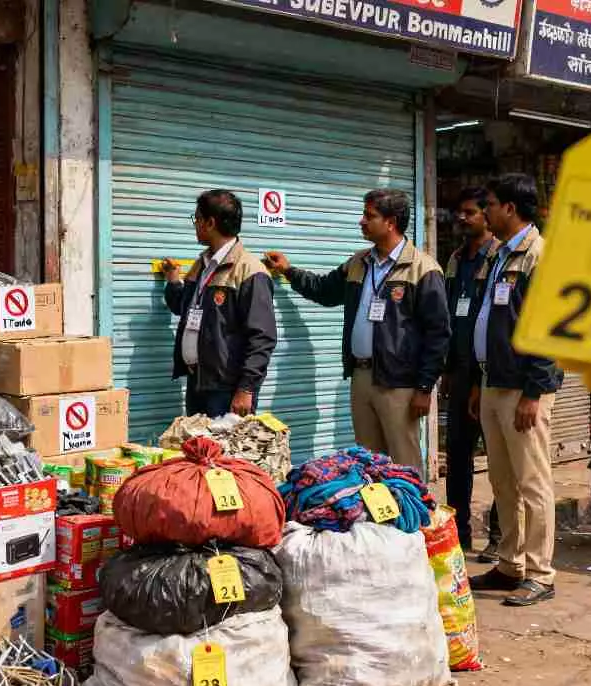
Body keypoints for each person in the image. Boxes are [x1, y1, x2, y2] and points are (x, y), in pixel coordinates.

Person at [263, 189, 450, 473]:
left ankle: (412, 504)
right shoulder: (359, 262)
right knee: (368, 463)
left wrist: (425, 387)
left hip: (399, 383)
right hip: (362, 377)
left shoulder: (422, 268)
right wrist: (289, 271)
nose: (361, 221)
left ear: (390, 222)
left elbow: (438, 334)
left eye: (369, 216)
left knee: (404, 465)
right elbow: (325, 291)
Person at [467, 173, 564, 607]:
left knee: (532, 482)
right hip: (494, 381)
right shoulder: (499, 254)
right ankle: (511, 564)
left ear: (509, 207)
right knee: (503, 481)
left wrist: (534, 393)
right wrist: (479, 380)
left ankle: (541, 573)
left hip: (524, 390)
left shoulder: (539, 256)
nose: (484, 212)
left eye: (489, 204)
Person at [163, 189, 277, 418]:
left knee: (225, 443)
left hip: (227, 390)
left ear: (210, 223)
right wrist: (174, 282)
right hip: (198, 382)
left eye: (197, 219)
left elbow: (262, 337)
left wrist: (246, 388)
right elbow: (184, 308)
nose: (195, 225)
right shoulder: (202, 264)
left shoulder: (249, 270)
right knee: (198, 442)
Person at [444, 188, 501, 557]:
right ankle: (459, 534)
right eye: (459, 212)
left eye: (469, 212)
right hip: (460, 373)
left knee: (499, 459)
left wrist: (481, 380)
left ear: (487, 215)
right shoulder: (455, 259)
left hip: (490, 373)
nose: (461, 218)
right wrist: (448, 370)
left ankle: (499, 537)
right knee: (458, 458)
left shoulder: (499, 257)